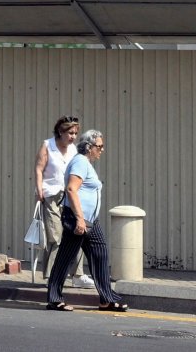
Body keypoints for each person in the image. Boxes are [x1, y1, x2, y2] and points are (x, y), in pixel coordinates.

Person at [45, 128, 127, 312]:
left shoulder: (85, 163)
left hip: (91, 221)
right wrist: (80, 219)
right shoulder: (80, 162)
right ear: (89, 147)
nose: (102, 150)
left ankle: (107, 299)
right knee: (65, 258)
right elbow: (72, 190)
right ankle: (54, 298)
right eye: (100, 146)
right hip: (79, 219)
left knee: (100, 254)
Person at [32, 116, 91, 286]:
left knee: (76, 231)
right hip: (51, 195)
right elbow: (38, 169)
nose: (73, 136)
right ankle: (52, 276)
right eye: (70, 133)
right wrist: (39, 189)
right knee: (55, 236)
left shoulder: (74, 150)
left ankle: (78, 276)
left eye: (75, 133)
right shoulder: (48, 145)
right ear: (60, 131)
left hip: (70, 195)